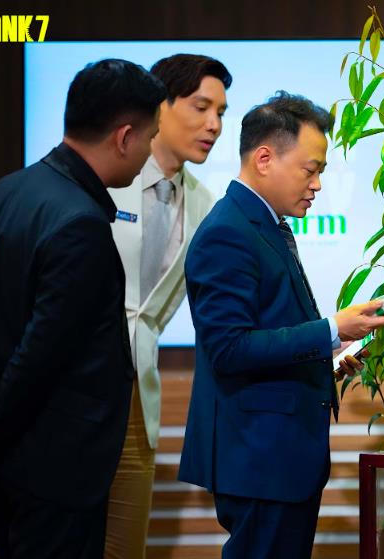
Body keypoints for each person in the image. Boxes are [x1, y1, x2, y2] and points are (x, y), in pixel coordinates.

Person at [0, 59, 166, 559]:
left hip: (6, 462)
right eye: (150, 139)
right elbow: (37, 359)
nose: (149, 153)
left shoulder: (9, 190)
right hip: (55, 469)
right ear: (124, 137)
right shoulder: (80, 221)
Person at [179, 91, 384, 559]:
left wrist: (327, 358)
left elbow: (266, 333)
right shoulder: (228, 231)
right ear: (264, 159)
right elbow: (229, 349)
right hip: (260, 457)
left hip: (277, 457)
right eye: (310, 170)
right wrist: (330, 329)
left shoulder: (263, 223)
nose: (317, 185)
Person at [105, 53, 231, 559]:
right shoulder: (104, 177)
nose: (214, 125)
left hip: (140, 396)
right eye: (202, 107)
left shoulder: (206, 204)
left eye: (221, 113)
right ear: (161, 104)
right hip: (74, 392)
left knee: (124, 548)